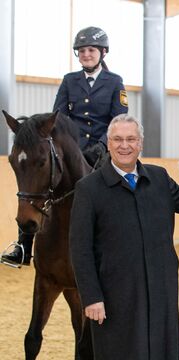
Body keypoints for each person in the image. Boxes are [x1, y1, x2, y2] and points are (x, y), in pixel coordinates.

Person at [69, 114, 179, 359]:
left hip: (161, 291)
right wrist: (92, 297)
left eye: (130, 139)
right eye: (117, 139)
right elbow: (80, 249)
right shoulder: (89, 188)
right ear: (108, 143)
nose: (124, 145)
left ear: (140, 143)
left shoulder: (158, 178)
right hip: (116, 297)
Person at [1, 26, 128, 268]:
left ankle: (124, 242)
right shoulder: (70, 81)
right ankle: (23, 245)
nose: (86, 55)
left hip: (103, 148)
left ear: (102, 52)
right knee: (41, 182)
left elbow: (119, 118)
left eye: (91, 50)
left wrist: (104, 145)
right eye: (81, 51)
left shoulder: (115, 82)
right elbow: (57, 115)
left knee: (122, 185)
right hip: (72, 148)